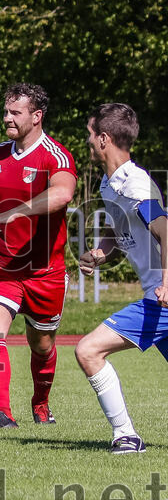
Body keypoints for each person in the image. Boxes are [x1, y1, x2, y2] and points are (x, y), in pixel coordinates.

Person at [0, 83, 77, 429]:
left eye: (16, 113)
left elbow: (63, 193)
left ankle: (41, 403)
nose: (7, 118)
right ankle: (1, 412)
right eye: (6, 111)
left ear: (36, 116)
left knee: (41, 345)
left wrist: (17, 212)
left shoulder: (55, 155)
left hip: (45, 270)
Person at [75, 103, 167, 454]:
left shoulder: (135, 183)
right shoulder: (109, 183)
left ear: (104, 138)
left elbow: (165, 230)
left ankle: (125, 435)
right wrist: (100, 253)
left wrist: (167, 282)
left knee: (88, 350)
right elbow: (118, 231)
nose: (87, 140)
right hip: (157, 293)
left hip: (161, 297)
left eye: (89, 133)